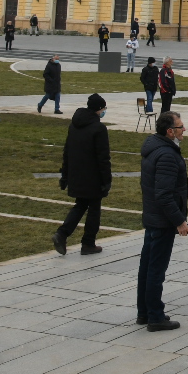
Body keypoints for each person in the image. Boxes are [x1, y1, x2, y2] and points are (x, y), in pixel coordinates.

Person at [138, 112, 188, 331]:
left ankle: (145, 312)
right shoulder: (167, 155)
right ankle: (155, 317)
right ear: (170, 131)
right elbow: (164, 194)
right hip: (161, 221)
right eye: (180, 127)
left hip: (153, 218)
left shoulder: (155, 148)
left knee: (147, 268)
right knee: (156, 271)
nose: (183, 130)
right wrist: (179, 221)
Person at [54, 93, 112, 254]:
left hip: (76, 173)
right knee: (94, 209)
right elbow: (103, 157)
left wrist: (65, 175)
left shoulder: (74, 125)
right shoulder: (99, 128)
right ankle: (88, 243)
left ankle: (62, 233)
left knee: (80, 205)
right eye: (103, 109)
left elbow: (67, 152)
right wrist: (106, 180)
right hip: (93, 177)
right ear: (99, 109)